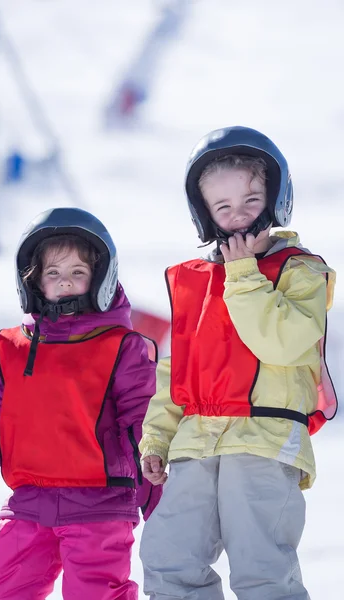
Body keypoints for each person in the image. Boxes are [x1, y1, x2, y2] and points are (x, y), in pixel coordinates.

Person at [139, 126, 337, 600]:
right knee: (169, 560)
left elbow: (284, 343)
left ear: (275, 198)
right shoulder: (198, 282)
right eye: (222, 208)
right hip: (196, 441)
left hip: (265, 439)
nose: (238, 217)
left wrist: (244, 275)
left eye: (250, 201)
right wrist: (157, 437)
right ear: (205, 215)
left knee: (262, 568)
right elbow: (176, 371)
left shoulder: (300, 270)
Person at [0, 207, 161, 600]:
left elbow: (139, 424)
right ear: (33, 281)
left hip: (100, 504)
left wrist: (154, 494)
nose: (65, 283)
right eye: (54, 273)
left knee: (95, 593)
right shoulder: (12, 347)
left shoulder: (120, 347)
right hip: (31, 502)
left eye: (78, 273)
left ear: (100, 279)